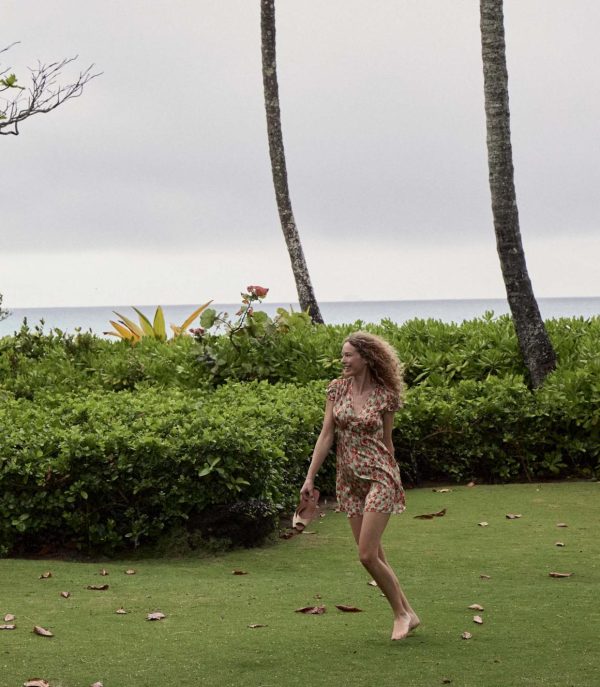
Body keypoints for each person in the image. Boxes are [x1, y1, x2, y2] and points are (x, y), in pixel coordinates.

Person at [300, 331, 420, 640]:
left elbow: (388, 442)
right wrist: (310, 477)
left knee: (366, 555)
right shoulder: (336, 390)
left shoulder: (385, 395)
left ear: (366, 358)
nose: (343, 360)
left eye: (348, 355)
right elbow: (327, 434)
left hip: (380, 476)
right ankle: (410, 613)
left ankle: (400, 614)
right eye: (343, 355)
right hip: (349, 482)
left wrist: (394, 476)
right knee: (376, 555)